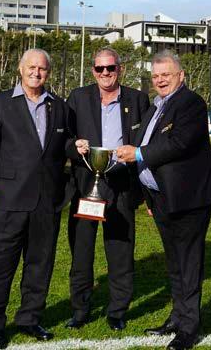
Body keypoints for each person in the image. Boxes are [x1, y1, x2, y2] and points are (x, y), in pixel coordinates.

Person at [117, 50, 211, 350]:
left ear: (181, 76)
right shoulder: (156, 106)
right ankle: (177, 318)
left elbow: (179, 144)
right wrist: (149, 197)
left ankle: (189, 327)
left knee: (188, 263)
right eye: (155, 76)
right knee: (175, 262)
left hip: (188, 198)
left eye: (166, 74)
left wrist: (137, 153)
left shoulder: (191, 103)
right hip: (162, 198)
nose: (160, 80)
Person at [0, 49, 73, 349]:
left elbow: (63, 146)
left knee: (39, 265)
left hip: (46, 201)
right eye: (31, 67)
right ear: (20, 69)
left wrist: (76, 145)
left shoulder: (59, 107)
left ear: (48, 72)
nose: (36, 73)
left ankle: (30, 318)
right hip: (6, 200)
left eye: (42, 68)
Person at [64, 48, 150, 331]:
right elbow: (64, 139)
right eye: (99, 68)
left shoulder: (138, 99)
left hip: (122, 185)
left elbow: (147, 143)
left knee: (120, 252)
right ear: (93, 71)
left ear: (119, 69)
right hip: (86, 186)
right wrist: (74, 147)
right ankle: (80, 309)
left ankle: (117, 311)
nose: (105, 73)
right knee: (81, 252)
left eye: (110, 68)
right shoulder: (77, 98)